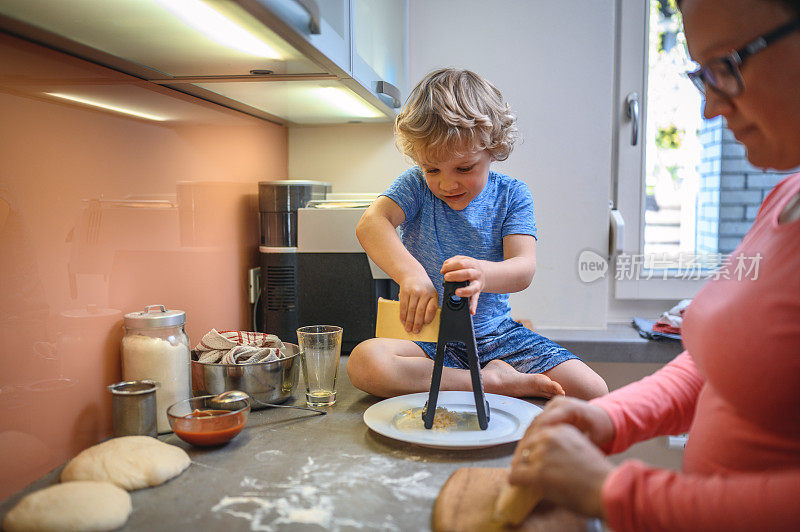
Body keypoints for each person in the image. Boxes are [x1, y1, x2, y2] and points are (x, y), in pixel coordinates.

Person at [508, 0, 800, 529]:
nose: (710, 108)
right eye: (702, 75)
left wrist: (615, 491)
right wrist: (607, 417)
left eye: (727, 65)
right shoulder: (784, 200)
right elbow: (720, 367)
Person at [347, 68, 608, 400]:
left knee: (594, 391)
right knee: (364, 363)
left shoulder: (512, 194)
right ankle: (491, 382)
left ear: (493, 148)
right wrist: (411, 274)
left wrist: (484, 273)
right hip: (427, 341)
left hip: (496, 337)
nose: (447, 183)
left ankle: (489, 373)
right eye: (432, 169)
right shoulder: (415, 186)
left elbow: (523, 269)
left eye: (464, 168)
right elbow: (371, 223)